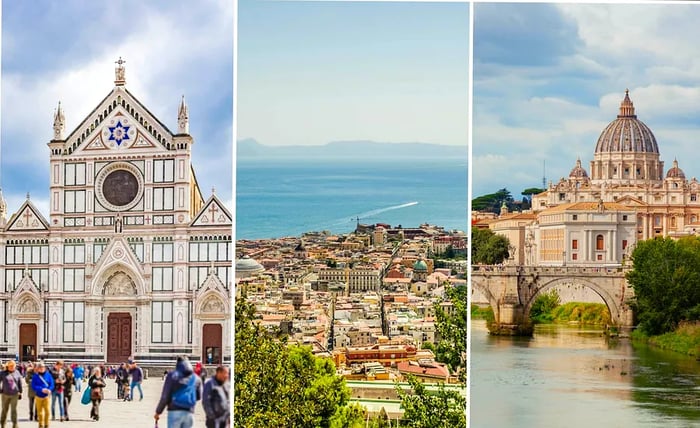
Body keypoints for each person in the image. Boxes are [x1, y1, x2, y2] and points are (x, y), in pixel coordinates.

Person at [154, 356, 203, 428]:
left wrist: (158, 412)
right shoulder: (196, 378)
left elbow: (165, 396)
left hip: (174, 411)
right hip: (189, 412)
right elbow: (199, 396)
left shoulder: (172, 375)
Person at [0, 360, 24, 428]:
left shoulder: (17, 372)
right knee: (4, 410)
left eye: (13, 366)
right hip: (5, 394)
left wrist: (20, 391)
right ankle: (3, 424)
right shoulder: (2, 373)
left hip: (15, 394)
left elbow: (19, 382)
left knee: (14, 410)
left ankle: (15, 425)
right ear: (7, 366)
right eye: (10, 366)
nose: (12, 367)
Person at [31, 361, 54, 428]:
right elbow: (33, 386)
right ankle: (40, 425)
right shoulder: (35, 376)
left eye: (42, 367)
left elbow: (52, 384)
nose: (41, 369)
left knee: (47, 412)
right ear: (38, 368)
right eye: (40, 367)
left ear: (45, 368)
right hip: (38, 396)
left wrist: (49, 389)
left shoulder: (48, 375)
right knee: (40, 413)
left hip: (47, 396)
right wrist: (41, 389)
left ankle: (46, 425)